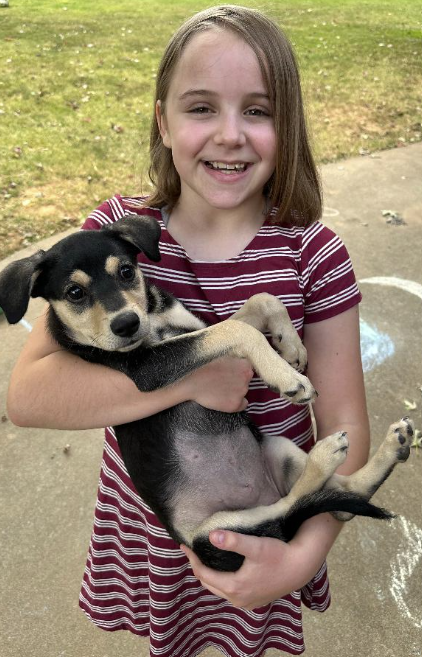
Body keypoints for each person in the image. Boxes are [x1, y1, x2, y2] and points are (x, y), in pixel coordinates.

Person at [7, 5, 370, 656]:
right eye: (201, 107)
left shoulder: (314, 255)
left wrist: (303, 553)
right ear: (163, 122)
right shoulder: (113, 232)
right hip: (157, 520)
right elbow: (28, 398)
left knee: (249, 643)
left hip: (263, 525)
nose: (230, 134)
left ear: (287, 126)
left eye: (258, 111)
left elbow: (349, 426)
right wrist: (192, 376)